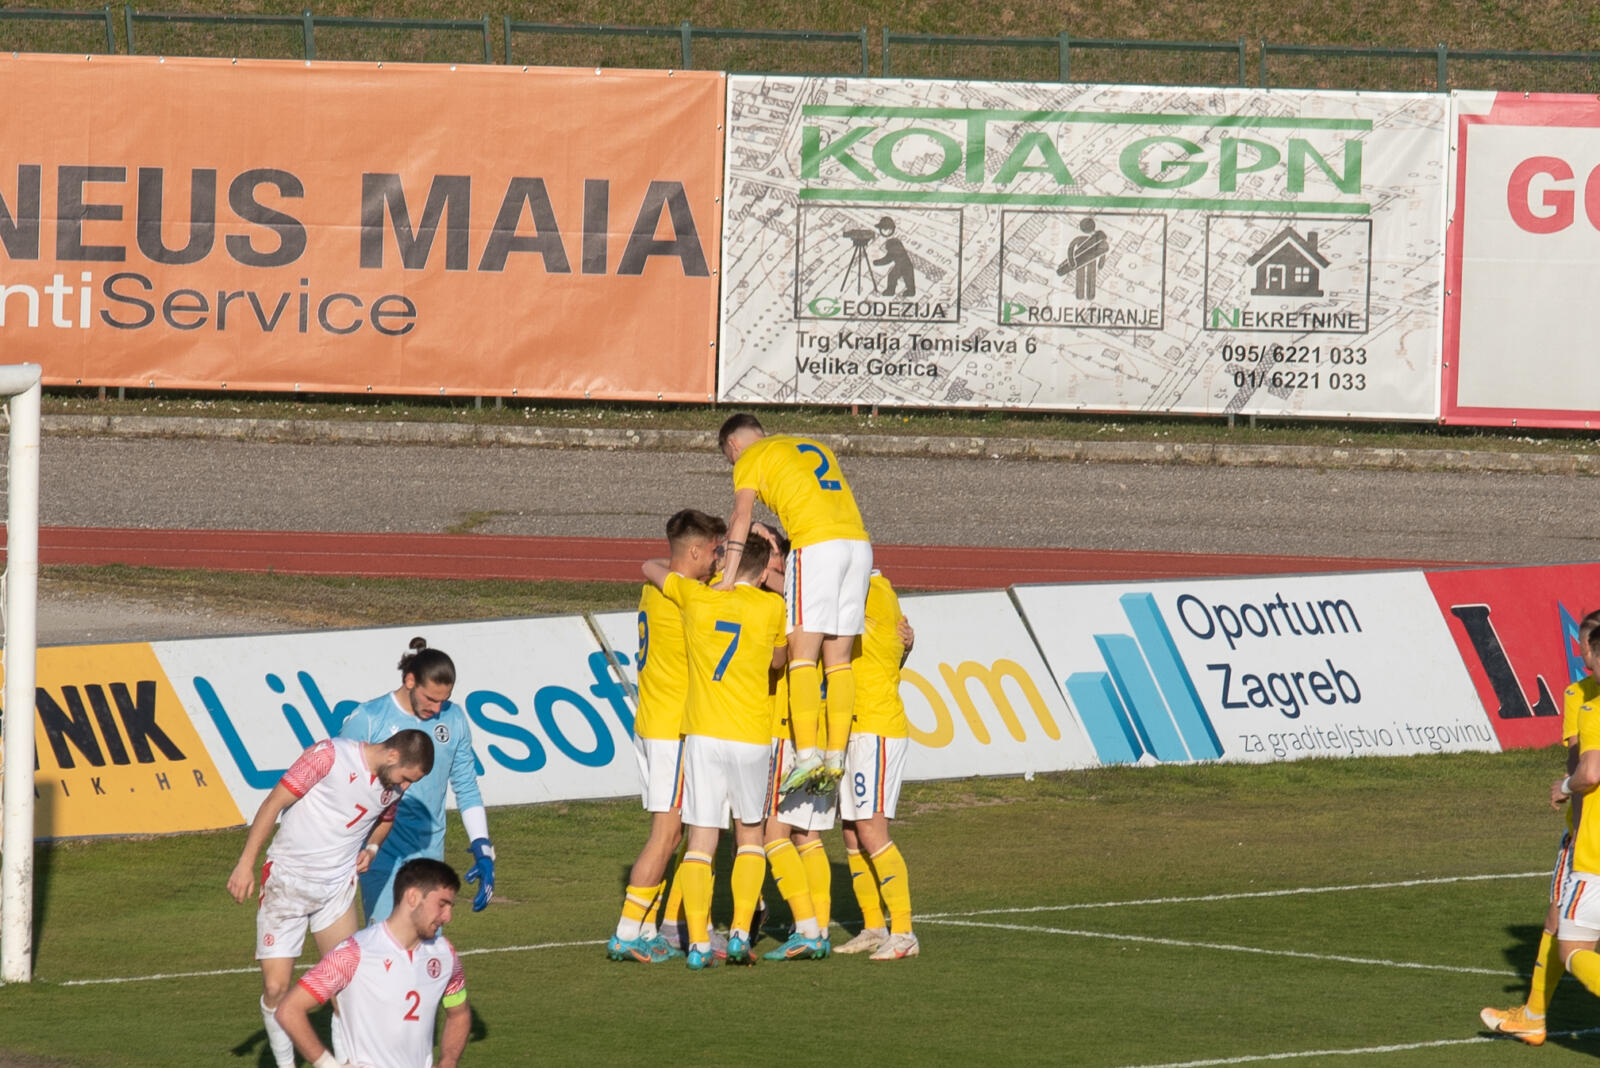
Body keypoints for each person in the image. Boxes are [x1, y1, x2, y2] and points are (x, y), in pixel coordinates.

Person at [227, 730, 434, 1068]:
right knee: (277, 988)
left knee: (348, 991)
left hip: (336, 890)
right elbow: (273, 804)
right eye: (407, 778)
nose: (405, 787)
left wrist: (371, 847)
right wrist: (245, 864)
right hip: (287, 885)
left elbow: (385, 818)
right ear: (393, 756)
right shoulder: (329, 757)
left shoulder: (391, 787)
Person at [649, 533, 788, 969]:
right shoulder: (771, 607)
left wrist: (714, 583)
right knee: (750, 835)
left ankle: (697, 945)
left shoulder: (699, 597)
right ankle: (742, 933)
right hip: (750, 735)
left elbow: (650, 569)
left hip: (703, 735)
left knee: (701, 840)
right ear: (765, 571)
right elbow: (779, 662)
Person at [717, 413, 872, 793]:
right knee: (839, 661)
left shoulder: (750, 458)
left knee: (803, 653)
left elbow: (740, 516)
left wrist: (727, 577)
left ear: (733, 446)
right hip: (859, 545)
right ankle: (836, 757)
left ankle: (806, 758)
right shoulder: (807, 445)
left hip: (816, 546)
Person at [607, 508, 726, 963]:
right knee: (667, 832)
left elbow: (653, 566)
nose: (718, 560)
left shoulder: (655, 589)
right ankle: (626, 932)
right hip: (670, 729)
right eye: (714, 551)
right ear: (694, 551)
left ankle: (649, 928)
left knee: (673, 833)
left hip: (656, 721)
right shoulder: (685, 597)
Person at [1484, 609, 1600, 1043]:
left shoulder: (1586, 701)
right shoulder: (1581, 694)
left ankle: (1533, 1017)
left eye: (1588, 644)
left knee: (1562, 926)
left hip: (1587, 837)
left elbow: (1582, 768)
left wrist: (1566, 788)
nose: (1583, 651)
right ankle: (1533, 1012)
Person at [339, 639, 495, 922]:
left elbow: (466, 785)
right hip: (380, 853)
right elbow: (338, 780)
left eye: (443, 700)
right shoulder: (370, 718)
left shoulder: (454, 719)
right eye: (431, 699)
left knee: (426, 951)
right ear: (410, 680)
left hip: (429, 853)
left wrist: (482, 847)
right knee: (390, 950)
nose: (437, 709)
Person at [276, 857, 470, 1068]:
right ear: (413, 897)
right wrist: (329, 1065)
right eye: (442, 905)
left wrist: (448, 1061)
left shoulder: (444, 954)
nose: (448, 916)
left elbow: (458, 1012)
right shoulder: (354, 953)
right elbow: (289, 1010)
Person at [750, 522, 834, 962]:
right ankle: (818, 926)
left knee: (772, 835)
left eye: (770, 550)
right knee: (805, 836)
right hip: (804, 733)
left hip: (781, 732)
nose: (765, 560)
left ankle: (807, 929)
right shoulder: (800, 598)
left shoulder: (784, 600)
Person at [834, 570, 920, 960]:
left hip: (875, 730)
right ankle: (873, 925)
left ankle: (903, 933)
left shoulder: (872, 589)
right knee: (852, 832)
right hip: (854, 728)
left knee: (871, 829)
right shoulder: (868, 590)